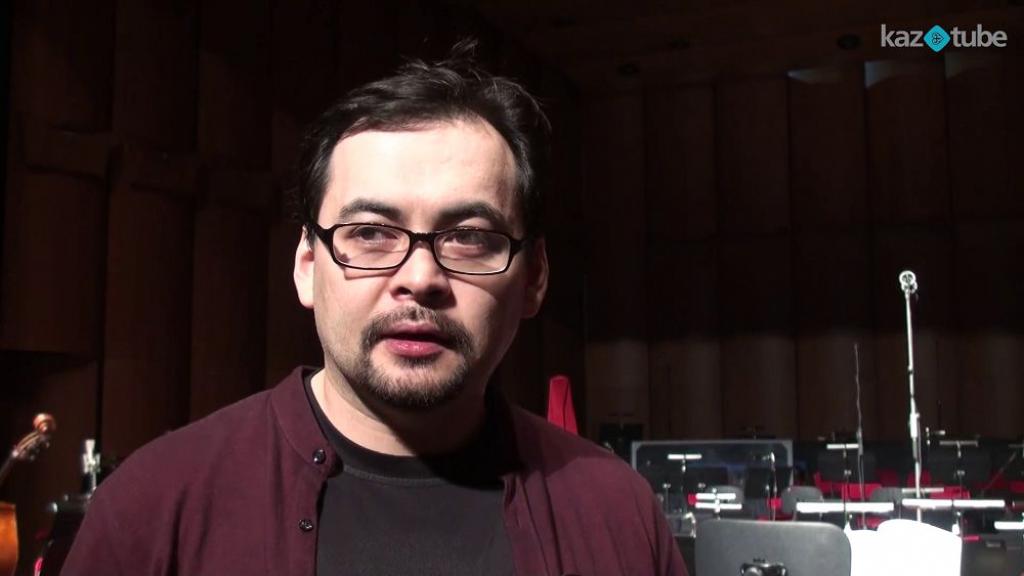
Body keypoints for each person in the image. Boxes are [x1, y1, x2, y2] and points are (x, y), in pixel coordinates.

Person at [62, 42, 686, 576]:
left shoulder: (617, 515)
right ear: (307, 265)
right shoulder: (153, 510)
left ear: (535, 277)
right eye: (369, 233)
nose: (420, 278)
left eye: (469, 237)